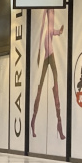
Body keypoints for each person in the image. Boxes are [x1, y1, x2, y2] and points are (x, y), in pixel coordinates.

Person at [30, 8, 65, 141]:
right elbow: (43, 29)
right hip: (47, 49)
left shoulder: (53, 8)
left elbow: (50, 30)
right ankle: (56, 123)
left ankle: (58, 122)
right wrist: (39, 49)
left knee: (52, 84)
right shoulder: (47, 9)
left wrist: (58, 32)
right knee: (44, 85)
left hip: (49, 46)